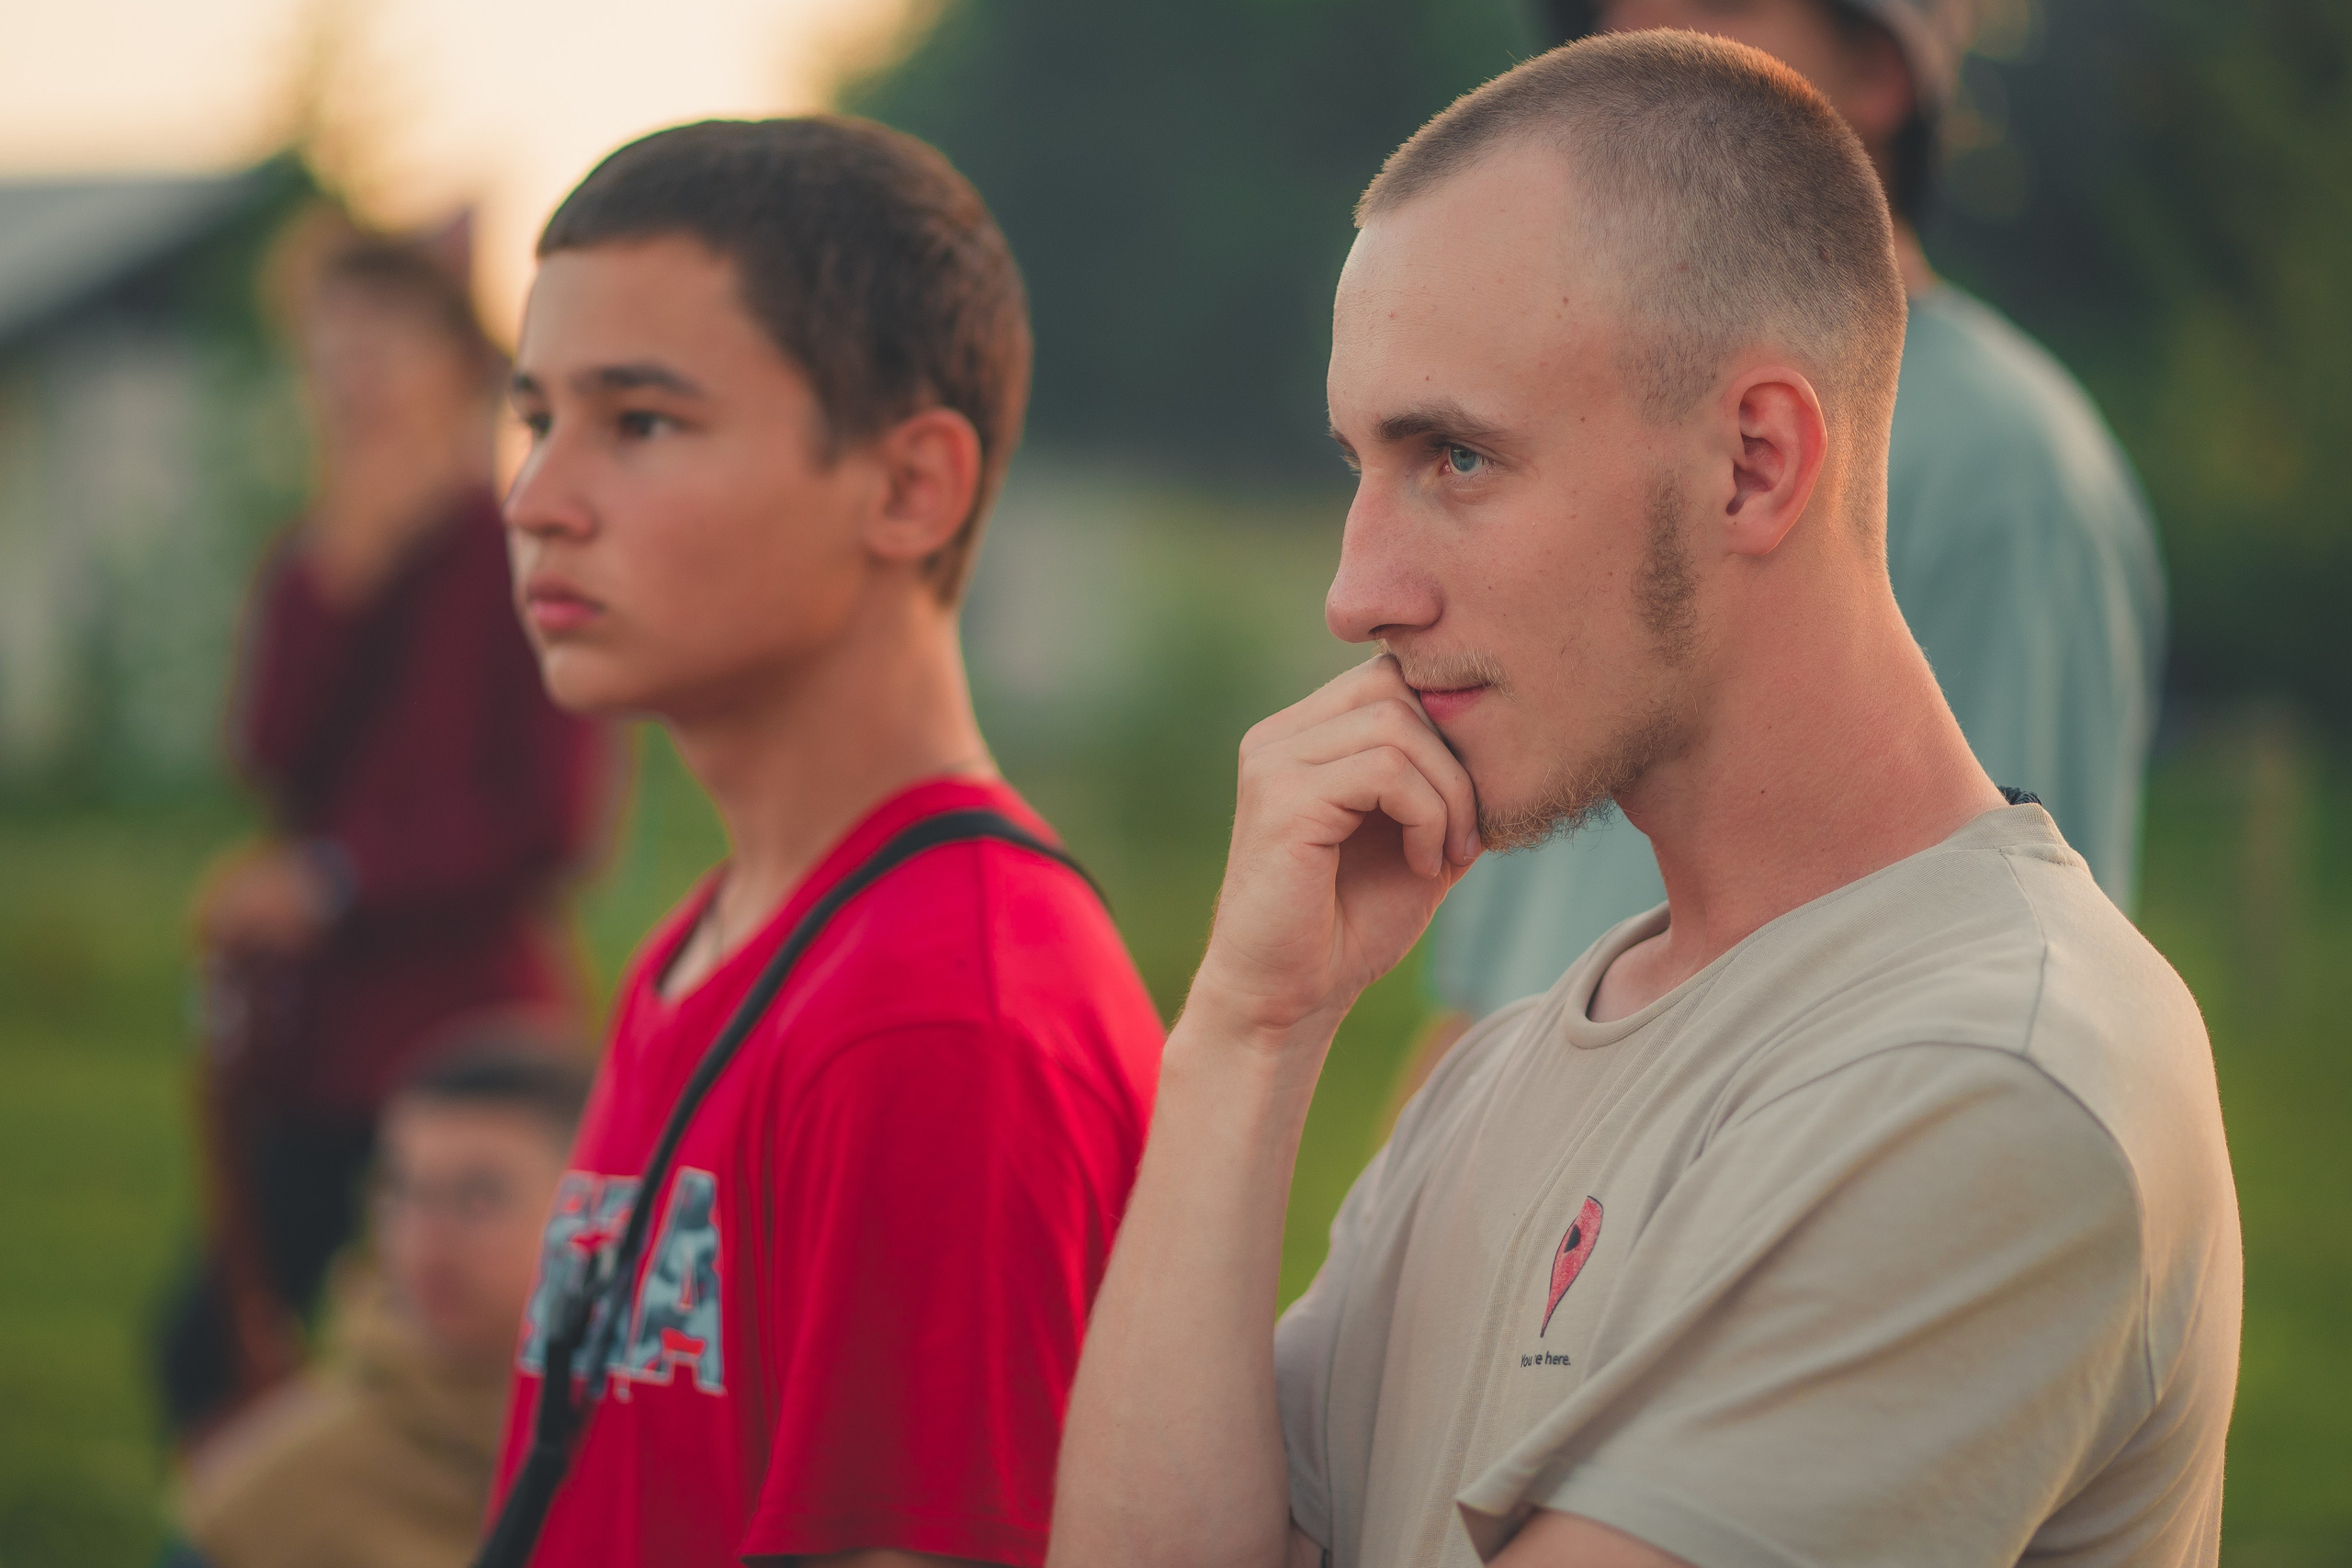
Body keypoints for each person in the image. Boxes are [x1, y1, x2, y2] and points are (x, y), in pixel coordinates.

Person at [1052, 32, 2236, 1568]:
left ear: (1754, 463)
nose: (1357, 591)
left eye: (1456, 457)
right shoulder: (1508, 1068)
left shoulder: (1997, 1077)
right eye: (1359, 462)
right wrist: (1246, 1031)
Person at [491, 117, 1164, 1568]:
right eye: (536, 415)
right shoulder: (720, 935)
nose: (537, 498)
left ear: (910, 486)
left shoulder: (942, 1012)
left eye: (642, 421)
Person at [1419, 0, 2166, 1032]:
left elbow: (2017, 996)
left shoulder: (2008, 473)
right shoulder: (1575, 423)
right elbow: (1491, 995)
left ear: (1879, 68)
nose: (1640, 44)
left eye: (1717, 3)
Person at [160, 231, 611, 1444]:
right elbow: (268, 751)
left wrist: (339, 877)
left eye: (380, 341)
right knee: (215, 1343)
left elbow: (550, 817)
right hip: (318, 1036)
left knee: (467, 1377)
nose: (348, 373)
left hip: (468, 1036)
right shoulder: (314, 552)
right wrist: (339, 577)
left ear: (457, 364)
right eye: (329, 343)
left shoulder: (521, 545)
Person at [169, 1048, 592, 1568]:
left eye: (480, 1195)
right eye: (403, 1189)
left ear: (595, 1210)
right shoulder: (276, 1498)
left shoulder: (646, 1446)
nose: (427, 1236)